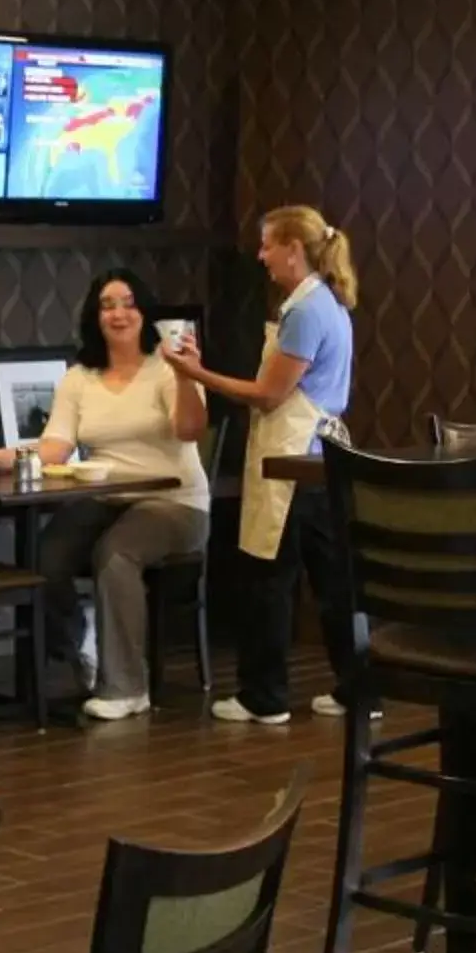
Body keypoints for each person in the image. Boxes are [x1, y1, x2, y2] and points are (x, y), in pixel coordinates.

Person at [0, 269, 210, 721]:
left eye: (128, 302)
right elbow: (55, 445)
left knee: (115, 554)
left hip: (174, 501)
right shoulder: (79, 377)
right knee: (45, 558)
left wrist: (190, 376)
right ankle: (84, 643)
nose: (118, 313)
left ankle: (128, 688)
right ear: (94, 317)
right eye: (107, 304)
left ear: (145, 311)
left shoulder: (168, 368)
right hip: (108, 497)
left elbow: (190, 430)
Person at [166, 206, 357, 725]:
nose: (261, 255)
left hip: (293, 461)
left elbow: (270, 395)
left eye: (269, 244)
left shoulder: (305, 313)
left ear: (294, 249)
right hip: (322, 459)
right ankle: (361, 689)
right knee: (332, 581)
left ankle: (264, 697)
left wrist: (196, 373)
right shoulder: (328, 304)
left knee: (269, 577)